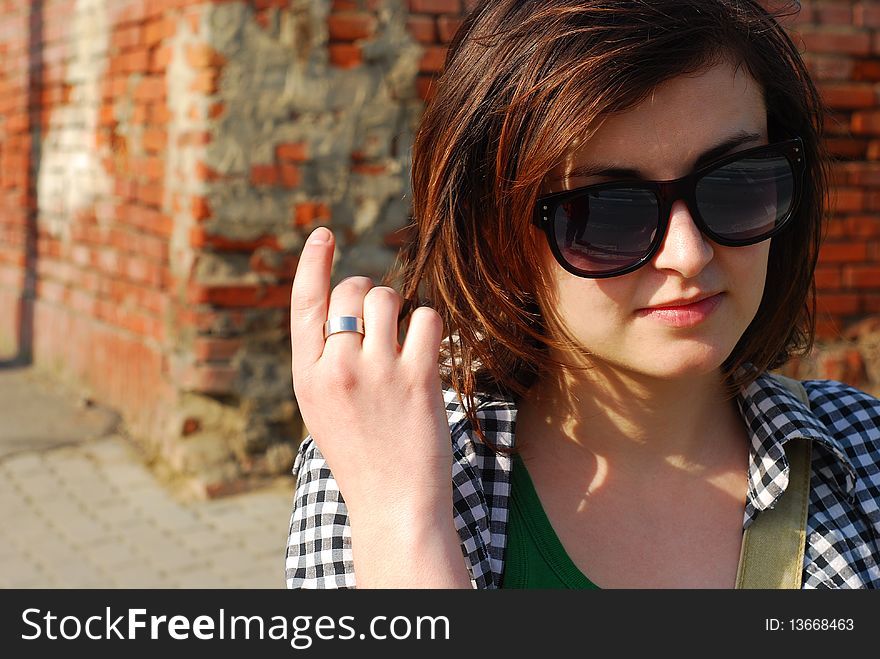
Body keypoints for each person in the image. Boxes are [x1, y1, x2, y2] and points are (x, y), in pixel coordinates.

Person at [285, 0, 880, 589]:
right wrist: (403, 521)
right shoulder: (386, 459)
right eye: (607, 214)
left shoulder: (863, 453)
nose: (689, 254)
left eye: (736, 185)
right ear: (498, 235)